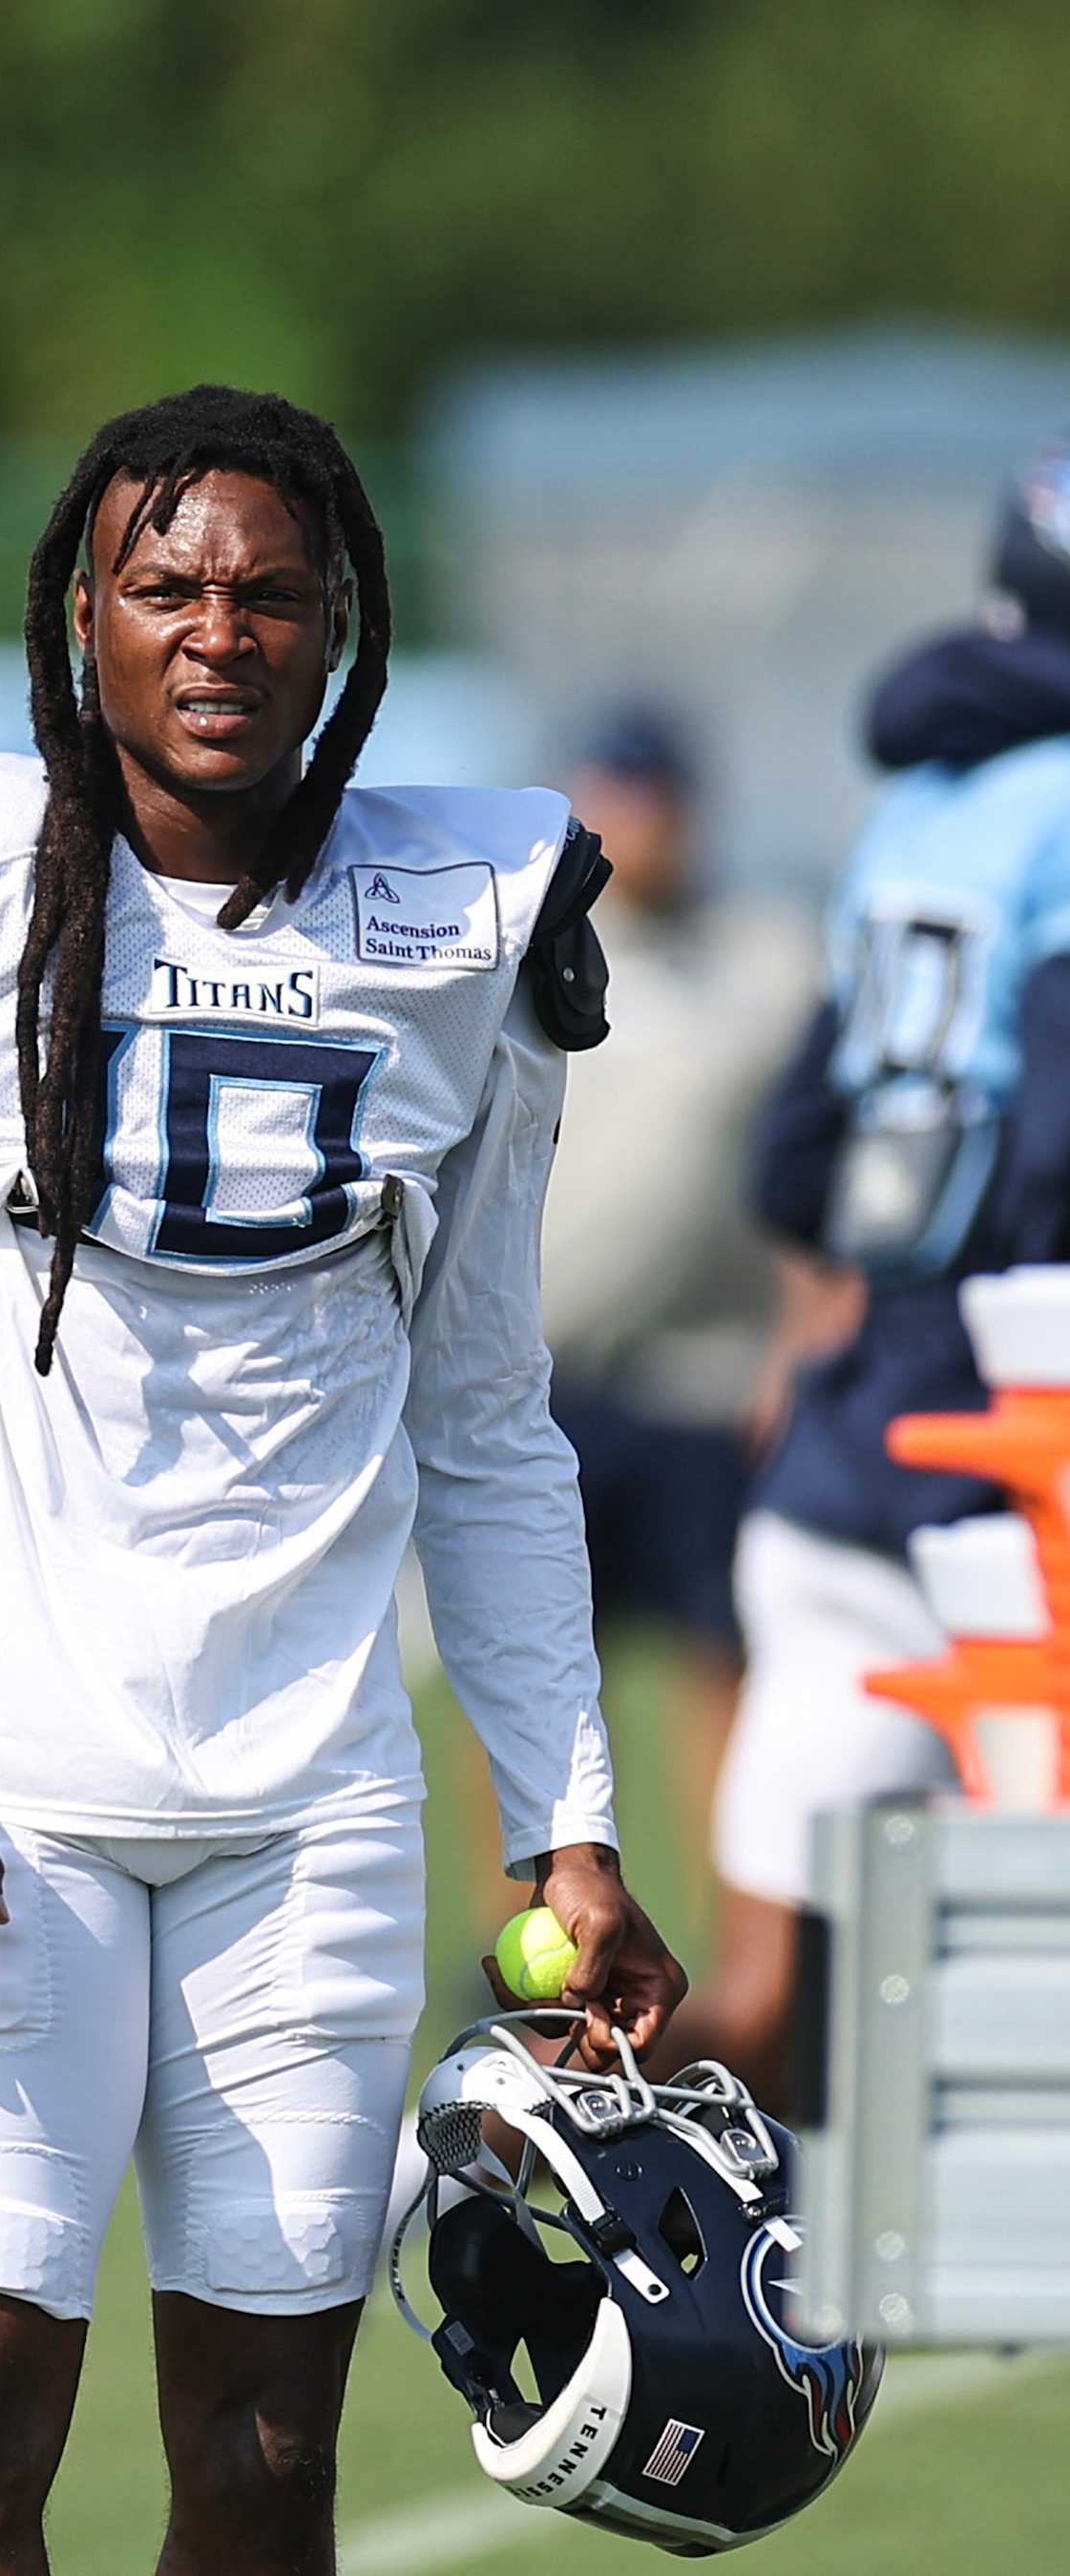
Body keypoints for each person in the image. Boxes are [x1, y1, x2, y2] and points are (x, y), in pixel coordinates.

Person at [0, 384, 684, 2576]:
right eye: (168, 584)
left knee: (264, 2462)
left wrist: (571, 1817)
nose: (218, 630)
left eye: (270, 591)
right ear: (85, 610)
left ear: (341, 624)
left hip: (308, 1795)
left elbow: (489, 1426)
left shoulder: (466, 918)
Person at [663, 437, 1070, 2107]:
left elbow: (795, 1160)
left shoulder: (925, 804)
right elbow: (1052, 1141)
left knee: (761, 2009)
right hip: (1021, 1461)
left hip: (853, 1446)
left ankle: (504, 2189)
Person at [536, 706, 817, 1927]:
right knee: (536, 1676)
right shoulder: (519, 947)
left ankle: (733, 1962)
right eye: (619, 796)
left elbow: (822, 1183)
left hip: (711, 1376)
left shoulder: (767, 961)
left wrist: (803, 1350)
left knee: (728, 1672)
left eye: (658, 800)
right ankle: (539, 1942)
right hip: (553, 1379)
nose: (641, 826)